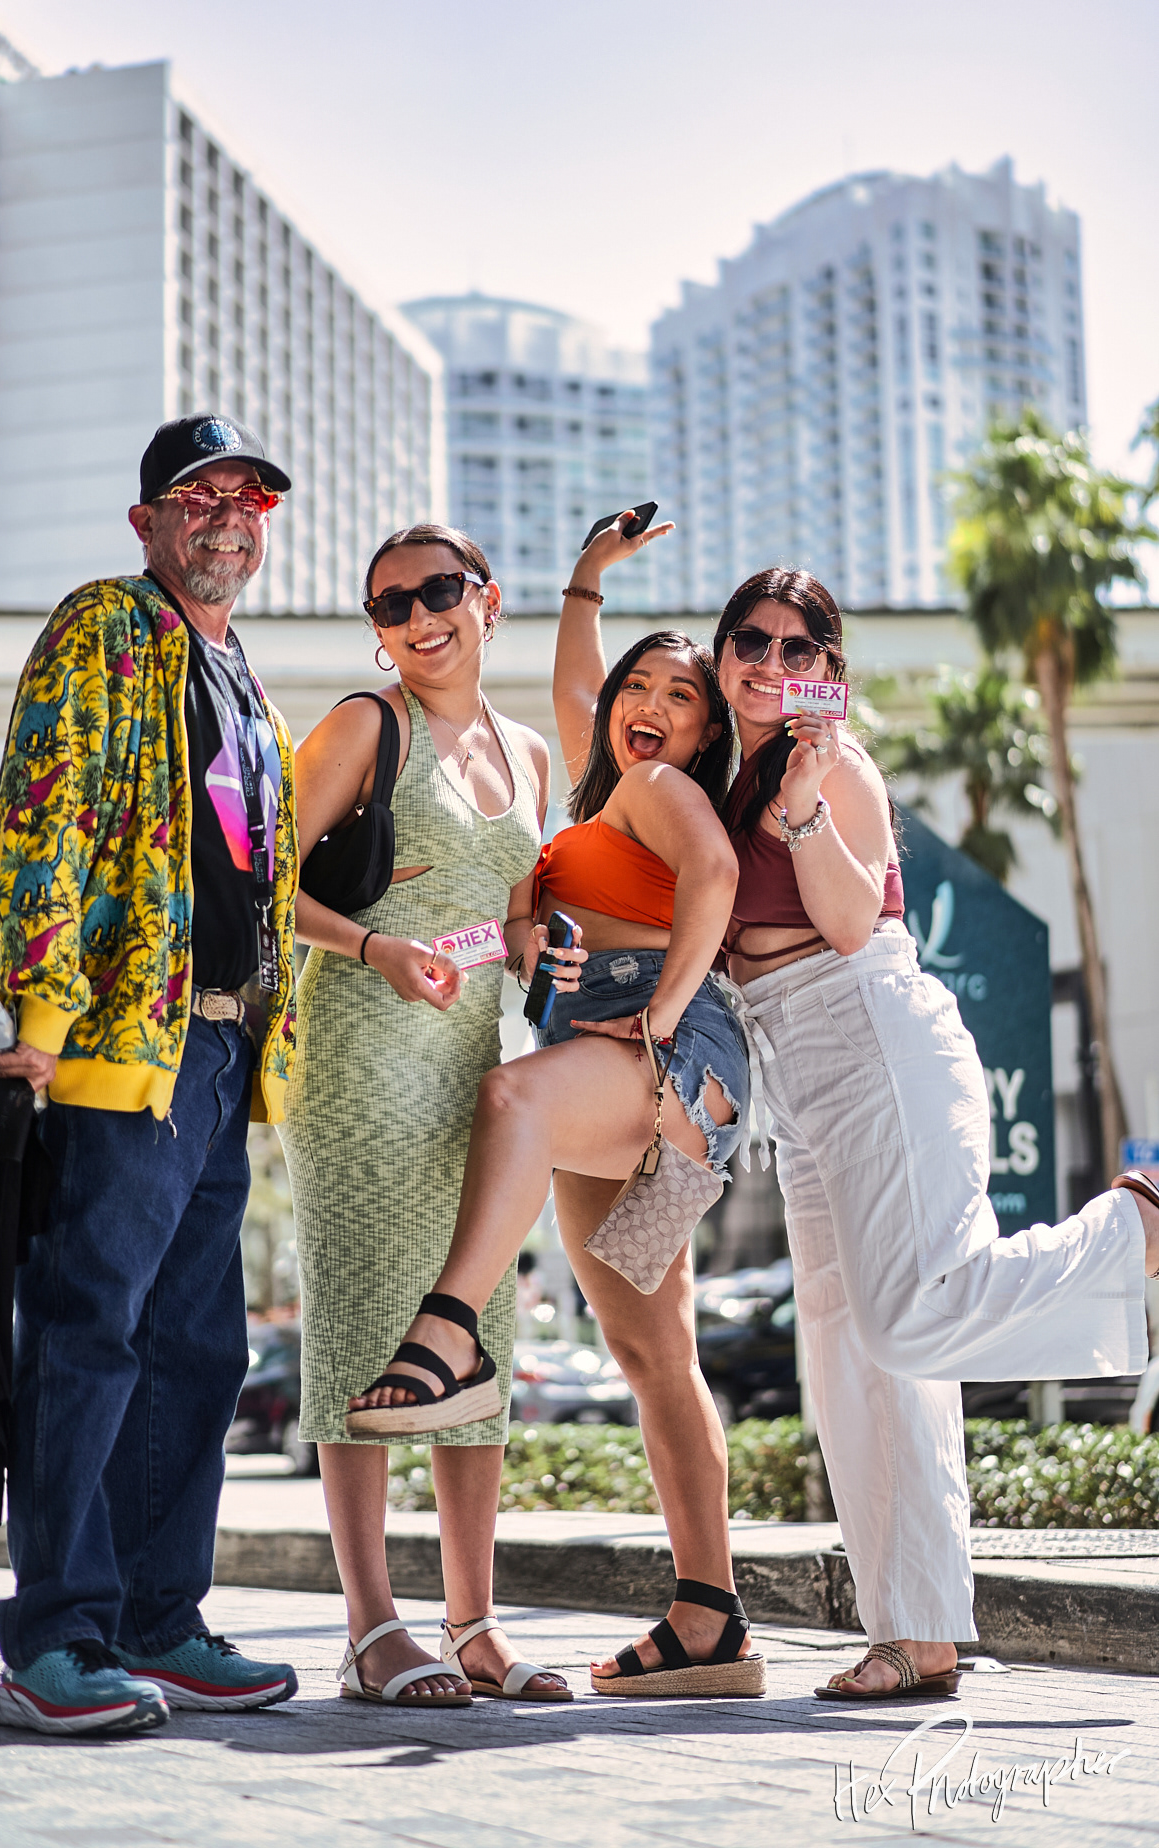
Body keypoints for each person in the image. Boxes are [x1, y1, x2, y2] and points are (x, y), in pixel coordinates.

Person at [558, 530, 1157, 1700]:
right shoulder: (707, 771)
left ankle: (1133, 1226)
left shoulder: (836, 770)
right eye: (750, 640)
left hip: (874, 1038)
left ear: (828, 666)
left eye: (800, 647)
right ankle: (915, 1629)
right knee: (852, 1363)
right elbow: (594, 699)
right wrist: (588, 581)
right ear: (723, 654)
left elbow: (847, 923)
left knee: (909, 1319)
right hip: (796, 1081)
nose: (771, 660)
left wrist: (801, 812)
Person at [346, 587, 764, 1699]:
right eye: (637, 686)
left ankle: (449, 1332)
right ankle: (709, 1619)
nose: (647, 705)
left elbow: (717, 878)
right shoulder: (603, 793)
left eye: (681, 696)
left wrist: (661, 1014)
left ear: (706, 731)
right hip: (609, 1061)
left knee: (511, 1102)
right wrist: (588, 576)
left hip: (664, 1042)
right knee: (652, 1354)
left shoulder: (660, 787)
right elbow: (578, 681)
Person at [0, 413, 301, 1735]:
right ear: (147, 521)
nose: (226, 519)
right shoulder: (105, 625)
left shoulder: (240, 672)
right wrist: (23, 1017)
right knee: (88, 1333)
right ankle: (56, 1638)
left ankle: (161, 1622)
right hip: (115, 1043)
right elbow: (44, 812)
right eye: (199, 499)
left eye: (246, 502)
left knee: (197, 1350)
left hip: (216, 1049)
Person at [281, 523, 581, 1707]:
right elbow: (263, 879)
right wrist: (374, 946)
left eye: (438, 590)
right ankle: (370, 1626)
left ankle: (475, 1623)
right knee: (363, 1320)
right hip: (358, 1052)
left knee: (476, 1323)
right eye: (391, 602)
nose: (417, 616)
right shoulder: (368, 724)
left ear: (485, 600)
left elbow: (515, 916)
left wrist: (538, 946)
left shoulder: (530, 752)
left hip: (471, 1066)